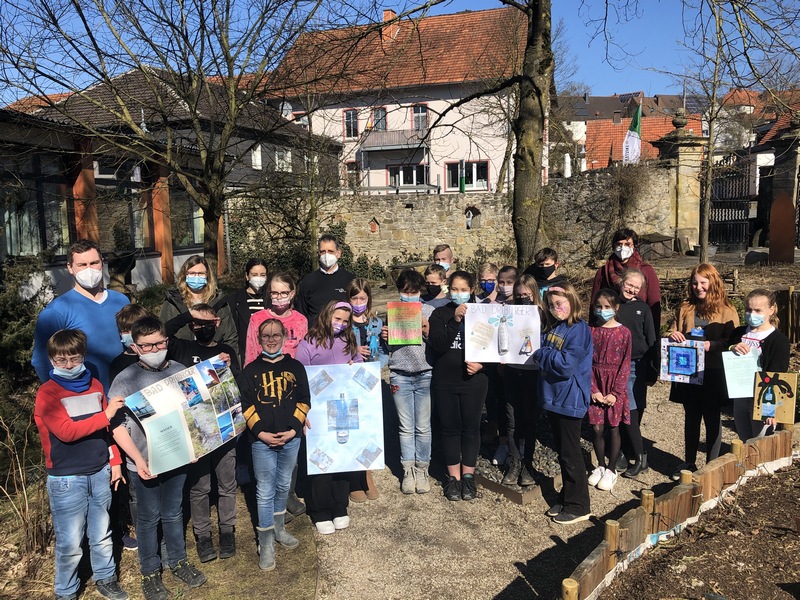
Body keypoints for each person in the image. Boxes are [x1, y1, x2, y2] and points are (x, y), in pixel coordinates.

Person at [109, 316, 206, 600]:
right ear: (135, 347)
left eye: (159, 343)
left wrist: (194, 446)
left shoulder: (179, 371)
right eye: (146, 346)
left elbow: (195, 412)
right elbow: (115, 427)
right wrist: (138, 461)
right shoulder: (125, 380)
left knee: (174, 512)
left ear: (167, 341)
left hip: (176, 458)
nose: (154, 349)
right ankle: (150, 572)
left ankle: (177, 561)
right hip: (144, 464)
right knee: (148, 519)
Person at [34, 329, 128, 600]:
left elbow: (105, 432)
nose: (68, 365)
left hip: (99, 471)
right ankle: (66, 590)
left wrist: (116, 461)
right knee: (71, 542)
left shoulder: (96, 386)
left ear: (83, 356)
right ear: (51, 360)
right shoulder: (48, 393)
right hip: (66, 479)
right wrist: (106, 414)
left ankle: (106, 577)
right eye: (60, 360)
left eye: (74, 359)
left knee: (101, 533)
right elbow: (66, 431)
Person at [163, 304, 240, 563]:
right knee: (200, 486)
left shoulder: (226, 351)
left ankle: (227, 531)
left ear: (217, 323)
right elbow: (163, 333)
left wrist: (229, 367)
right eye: (197, 323)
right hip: (196, 429)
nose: (202, 328)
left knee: (227, 483)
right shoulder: (182, 348)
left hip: (224, 427)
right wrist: (188, 316)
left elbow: (237, 384)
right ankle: (203, 535)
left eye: (208, 323)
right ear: (191, 325)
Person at [238, 318, 310, 571]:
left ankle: (279, 529)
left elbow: (304, 400)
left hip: (291, 438)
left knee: (283, 485)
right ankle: (265, 541)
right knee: (265, 489)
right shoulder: (250, 371)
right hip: (261, 442)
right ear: (258, 340)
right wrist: (260, 433)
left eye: (276, 335)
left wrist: (292, 429)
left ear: (284, 337)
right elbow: (246, 406)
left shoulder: (296, 367)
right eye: (266, 336)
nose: (271, 340)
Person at [295, 301, 363, 534]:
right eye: (337, 319)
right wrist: (302, 412)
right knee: (320, 460)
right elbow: (300, 381)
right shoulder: (308, 343)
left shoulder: (349, 340)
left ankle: (339, 505)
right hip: (318, 412)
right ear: (326, 315)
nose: (341, 324)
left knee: (343, 456)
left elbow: (360, 368)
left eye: (345, 321)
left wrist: (356, 365)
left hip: (344, 409)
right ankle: (319, 509)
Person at [667, 263, 739, 479]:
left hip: (714, 372)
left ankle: (711, 465)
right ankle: (688, 462)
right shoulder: (686, 307)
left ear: (713, 283)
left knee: (712, 418)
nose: (698, 287)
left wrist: (712, 345)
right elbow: (672, 329)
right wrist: (673, 335)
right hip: (688, 370)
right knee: (691, 417)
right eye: (695, 282)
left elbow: (733, 342)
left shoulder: (727, 309)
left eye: (703, 283)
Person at [32, 239, 130, 392]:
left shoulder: (121, 300)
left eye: (94, 263)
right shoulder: (57, 312)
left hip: (128, 390)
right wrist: (63, 394)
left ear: (102, 263)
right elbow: (41, 361)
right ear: (70, 268)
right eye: (82, 265)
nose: (89, 269)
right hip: (86, 397)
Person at [534, 282, 592, 524]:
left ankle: (579, 506)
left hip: (570, 399)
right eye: (551, 304)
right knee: (562, 452)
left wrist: (540, 354)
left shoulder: (578, 329)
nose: (555, 308)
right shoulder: (555, 327)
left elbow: (566, 364)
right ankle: (568, 496)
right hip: (555, 398)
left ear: (571, 301)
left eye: (559, 303)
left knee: (571, 454)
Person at [428, 270, 487, 502]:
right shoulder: (439, 313)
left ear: (472, 290)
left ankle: (469, 476)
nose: (459, 294)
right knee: (450, 429)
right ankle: (453, 478)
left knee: (471, 429)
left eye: (464, 290)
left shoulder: (482, 313)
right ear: (448, 289)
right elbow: (438, 344)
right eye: (455, 289)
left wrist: (482, 366)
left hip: (475, 381)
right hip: (445, 380)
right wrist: (456, 319)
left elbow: (494, 346)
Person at [385, 269, 435, 494]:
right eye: (405, 292)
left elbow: (437, 346)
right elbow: (388, 349)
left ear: (420, 291)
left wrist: (428, 332)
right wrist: (384, 338)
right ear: (399, 291)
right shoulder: (392, 312)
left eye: (414, 291)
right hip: (399, 374)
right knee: (406, 427)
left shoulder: (429, 311)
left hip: (424, 374)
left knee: (423, 426)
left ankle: (423, 469)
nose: (409, 295)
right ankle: (408, 470)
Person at [728, 289, 790, 441]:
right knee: (744, 442)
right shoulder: (738, 333)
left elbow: (778, 375)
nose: (752, 314)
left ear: (771, 310)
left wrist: (771, 409)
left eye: (757, 310)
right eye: (749, 310)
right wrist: (732, 348)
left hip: (762, 400)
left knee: (760, 447)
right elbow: (726, 351)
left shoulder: (778, 341)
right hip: (740, 397)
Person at [500, 275, 544, 487]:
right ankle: (514, 462)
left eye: (527, 295)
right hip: (511, 371)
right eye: (519, 295)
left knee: (529, 420)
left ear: (534, 293)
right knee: (511, 420)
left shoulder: (543, 314)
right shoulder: (506, 313)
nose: (523, 298)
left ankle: (527, 463)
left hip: (533, 374)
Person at [587, 289, 631, 493]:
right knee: (596, 428)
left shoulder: (624, 333)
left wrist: (615, 392)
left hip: (614, 384)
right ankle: (600, 465)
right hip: (595, 381)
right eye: (599, 307)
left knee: (613, 427)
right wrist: (592, 389)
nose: (602, 310)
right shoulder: (591, 330)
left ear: (616, 308)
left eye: (606, 307)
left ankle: (611, 469)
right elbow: (585, 362)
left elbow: (625, 365)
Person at [615, 268, 657, 477]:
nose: (631, 289)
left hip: (638, 363)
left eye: (636, 287)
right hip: (617, 364)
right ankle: (640, 456)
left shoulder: (643, 309)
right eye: (629, 284)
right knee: (628, 408)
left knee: (637, 406)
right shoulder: (611, 304)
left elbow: (651, 338)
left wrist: (653, 367)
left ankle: (628, 448)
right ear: (621, 282)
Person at [159, 255, 238, 351]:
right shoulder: (173, 302)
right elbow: (162, 332)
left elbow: (231, 337)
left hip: (213, 357)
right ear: (185, 275)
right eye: (192, 273)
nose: (196, 277)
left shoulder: (219, 301)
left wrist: (231, 360)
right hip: (182, 356)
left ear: (207, 275)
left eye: (201, 273)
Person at [591, 228, 661, 328]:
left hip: (636, 329)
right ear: (613, 246)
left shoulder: (646, 271)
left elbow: (653, 305)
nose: (622, 247)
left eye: (627, 244)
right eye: (619, 244)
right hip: (608, 329)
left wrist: (654, 336)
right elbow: (594, 303)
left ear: (634, 246)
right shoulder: (603, 272)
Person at [245, 272, 309, 365]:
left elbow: (303, 354)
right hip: (263, 371)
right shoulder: (257, 318)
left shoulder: (301, 320)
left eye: (283, 293)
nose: (279, 297)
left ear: (292, 294)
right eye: (275, 293)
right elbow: (251, 353)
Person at [217, 258, 270, 363]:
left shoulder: (271, 299)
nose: (258, 278)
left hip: (269, 354)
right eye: (254, 275)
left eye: (262, 275)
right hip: (245, 356)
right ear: (247, 276)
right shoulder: (233, 300)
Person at [295, 234, 355, 325]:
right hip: (315, 336)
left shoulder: (349, 279)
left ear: (338, 253)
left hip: (342, 335)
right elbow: (301, 314)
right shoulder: (308, 281)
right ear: (318, 254)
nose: (326, 255)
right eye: (323, 251)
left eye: (330, 251)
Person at [110, 304, 153, 385]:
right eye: (125, 331)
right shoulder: (118, 363)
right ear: (120, 333)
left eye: (135, 330)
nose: (131, 335)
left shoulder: (157, 355)